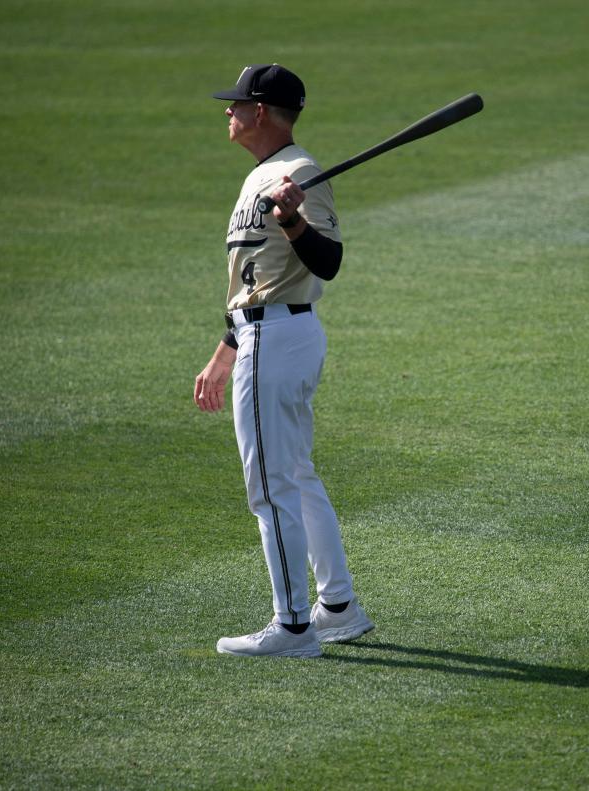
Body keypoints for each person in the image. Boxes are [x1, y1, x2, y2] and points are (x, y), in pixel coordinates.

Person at [194, 64, 374, 658]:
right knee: (294, 475)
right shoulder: (261, 176)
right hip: (263, 336)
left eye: (237, 103)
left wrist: (294, 218)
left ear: (262, 112)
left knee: (270, 486)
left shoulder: (299, 174)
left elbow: (327, 262)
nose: (228, 111)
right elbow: (256, 278)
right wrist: (227, 347)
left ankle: (293, 627)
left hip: (280, 340)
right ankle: (338, 608)